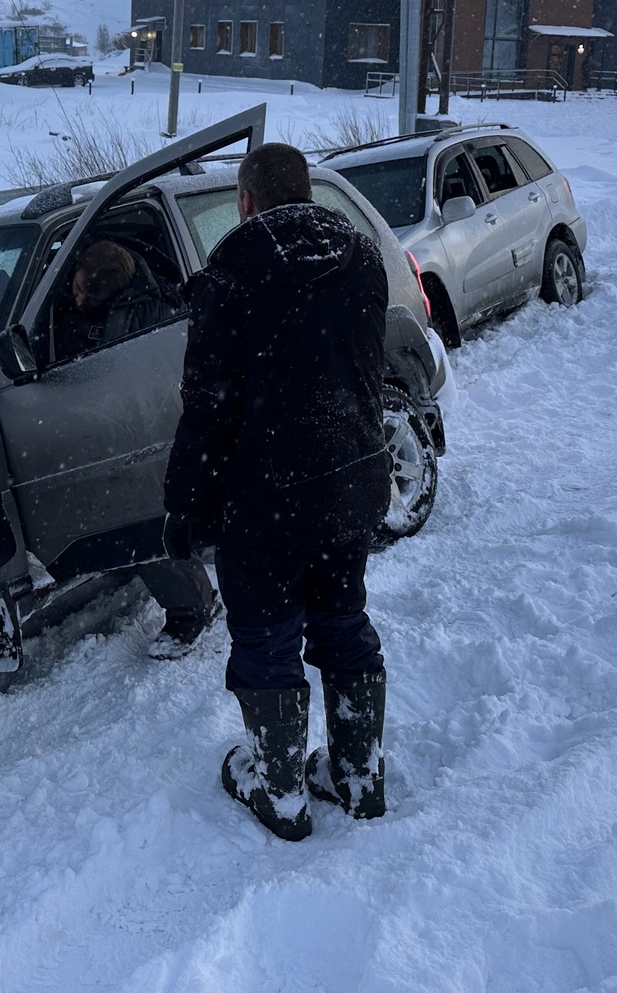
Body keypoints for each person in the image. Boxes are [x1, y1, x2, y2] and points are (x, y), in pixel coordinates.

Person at [162, 141, 391, 841]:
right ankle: (358, 777)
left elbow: (206, 408)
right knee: (342, 619)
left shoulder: (229, 278)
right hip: (350, 483)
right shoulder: (363, 261)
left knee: (266, 633)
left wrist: (183, 504)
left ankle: (282, 789)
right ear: (309, 196)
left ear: (246, 200)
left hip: (264, 500)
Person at [58, 240, 214, 658]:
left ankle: (192, 608)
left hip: (146, 424)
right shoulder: (100, 307)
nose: (77, 301)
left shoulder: (148, 310)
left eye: (85, 296)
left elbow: (133, 375)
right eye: (75, 290)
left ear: (110, 291)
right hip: (108, 422)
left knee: (142, 517)